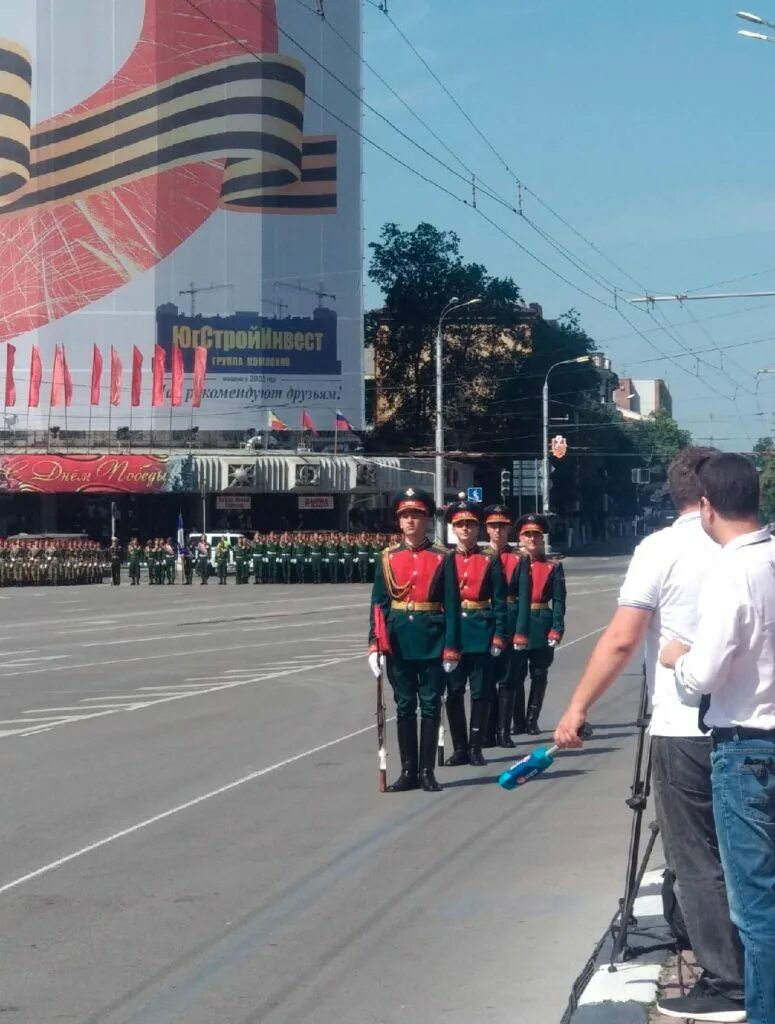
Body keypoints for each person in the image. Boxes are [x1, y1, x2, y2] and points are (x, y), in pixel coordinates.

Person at [555, 446, 745, 1024]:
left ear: (675, 493)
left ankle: (727, 981)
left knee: (697, 856)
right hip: (752, 722)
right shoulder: (753, 547)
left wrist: (577, 707)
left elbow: (621, 639)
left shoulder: (660, 549)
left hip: (683, 723)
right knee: (749, 850)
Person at [660, 452, 774, 1024]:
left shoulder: (734, 568)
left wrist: (678, 658)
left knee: (756, 908)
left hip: (748, 750)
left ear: (706, 507)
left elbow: (704, 674)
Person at [368, 488, 460, 792]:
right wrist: (374, 644)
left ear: (427, 519)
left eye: (416, 515)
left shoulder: (443, 557)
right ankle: (408, 770)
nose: (410, 521)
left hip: (433, 639)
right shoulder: (387, 558)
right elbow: (379, 604)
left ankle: (426, 771)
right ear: (399, 521)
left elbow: (452, 605)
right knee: (404, 706)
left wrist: (451, 647)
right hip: (398, 641)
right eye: (405, 516)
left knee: (431, 705)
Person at [443, 500, 509, 768]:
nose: (466, 529)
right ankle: (459, 747)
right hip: (453, 633)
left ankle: (476, 746)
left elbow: (500, 601)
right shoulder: (444, 558)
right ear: (453, 528)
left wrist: (499, 634)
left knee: (481, 692)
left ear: (478, 528)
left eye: (470, 524)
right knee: (454, 692)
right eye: (460, 524)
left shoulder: (489, 560)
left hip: (481, 630)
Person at [512, 514, 565, 735]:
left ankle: (532, 719)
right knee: (515, 674)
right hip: (517, 625)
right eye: (527, 535)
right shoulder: (512, 563)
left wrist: (557, 627)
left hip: (541, 623)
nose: (532, 539)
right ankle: (518, 721)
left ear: (542, 539)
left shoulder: (552, 566)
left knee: (539, 674)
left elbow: (560, 600)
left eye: (536, 535)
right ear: (521, 538)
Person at [482, 504, 529, 747]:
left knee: (508, 679)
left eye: (502, 526)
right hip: (484, 621)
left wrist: (521, 631)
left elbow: (524, 597)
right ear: (486, 529)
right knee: (485, 679)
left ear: (509, 529)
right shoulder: (479, 557)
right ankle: (487, 733)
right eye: (493, 526)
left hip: (510, 621)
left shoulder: (519, 558)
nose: (498, 531)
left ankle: (503, 731)